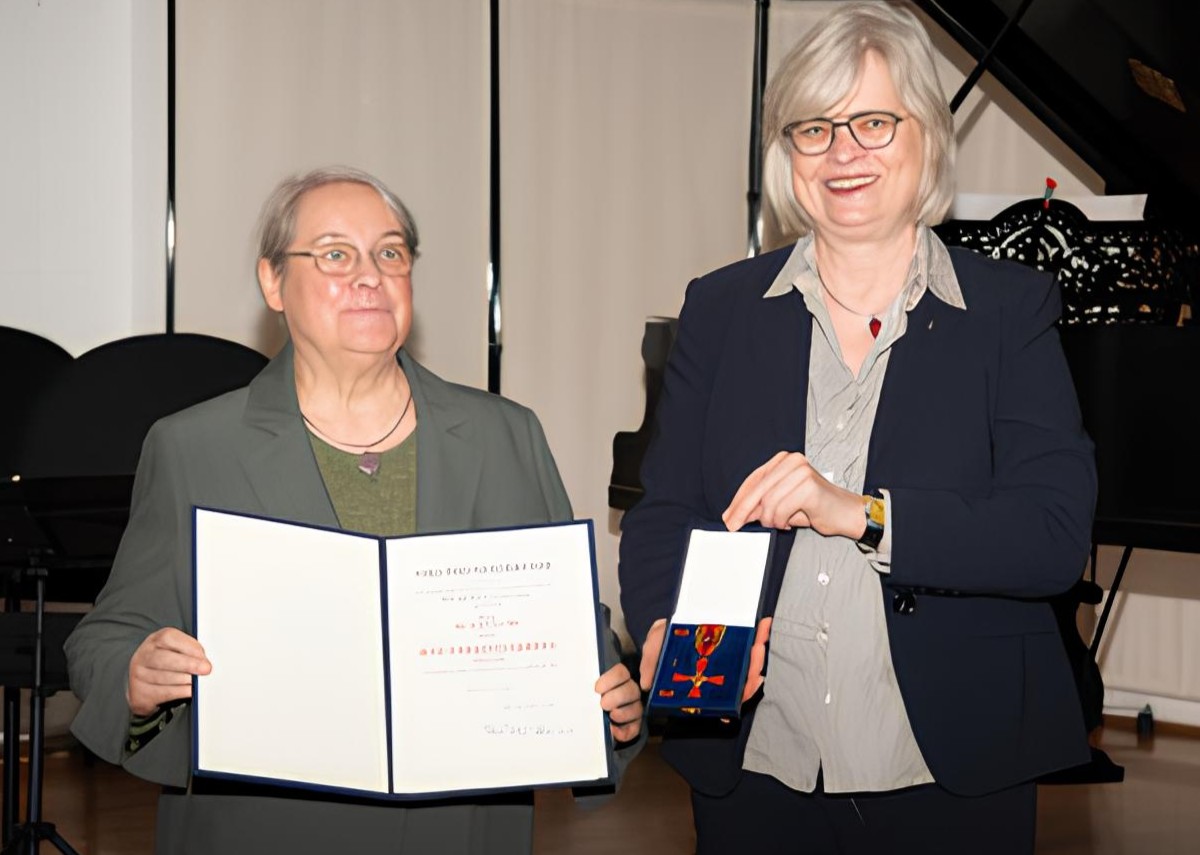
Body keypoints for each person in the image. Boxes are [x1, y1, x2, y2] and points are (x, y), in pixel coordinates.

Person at [618, 4, 1095, 853]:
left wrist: (863, 513)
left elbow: (1053, 535)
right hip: (755, 764)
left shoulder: (1006, 311)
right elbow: (664, 513)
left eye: (873, 122)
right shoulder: (721, 308)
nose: (844, 152)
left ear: (928, 139)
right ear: (785, 153)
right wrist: (660, 624)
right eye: (814, 128)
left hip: (952, 767)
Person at [65, 166, 643, 855]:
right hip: (262, 832)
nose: (370, 275)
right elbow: (103, 638)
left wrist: (611, 707)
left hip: (461, 832)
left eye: (391, 253)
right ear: (273, 282)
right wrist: (135, 672)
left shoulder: (504, 434)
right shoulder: (195, 447)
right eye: (336, 254)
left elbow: (575, 637)